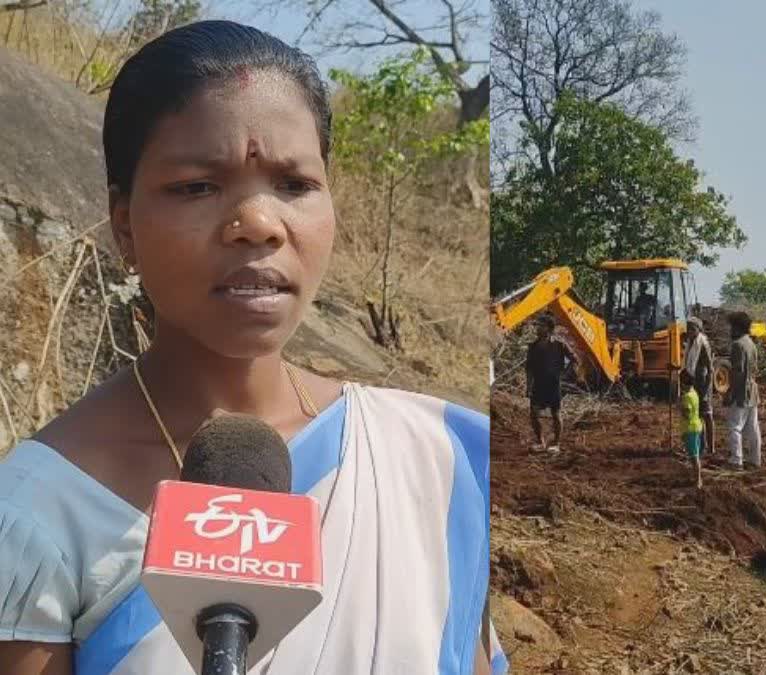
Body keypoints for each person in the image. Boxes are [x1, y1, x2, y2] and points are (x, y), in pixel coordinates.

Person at [0, 21, 498, 675]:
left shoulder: (441, 461)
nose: (259, 224)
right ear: (124, 222)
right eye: (197, 186)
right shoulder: (37, 513)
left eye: (294, 184)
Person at [526, 314, 575, 452]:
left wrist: (564, 374)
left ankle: (556, 444)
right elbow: (529, 368)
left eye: (540, 325)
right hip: (538, 384)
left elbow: (574, 359)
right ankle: (540, 442)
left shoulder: (559, 345)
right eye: (537, 325)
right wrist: (528, 386)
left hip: (553, 384)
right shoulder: (533, 346)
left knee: (556, 414)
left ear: (548, 328)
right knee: (534, 413)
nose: (537, 328)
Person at [724, 311, 762, 469]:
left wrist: (730, 392)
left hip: (742, 391)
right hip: (752, 390)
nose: (730, 330)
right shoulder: (751, 343)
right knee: (753, 427)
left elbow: (738, 372)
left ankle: (736, 461)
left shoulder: (738, 345)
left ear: (738, 328)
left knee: (734, 425)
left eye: (732, 327)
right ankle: (755, 460)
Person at [684, 317, 716, 453]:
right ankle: (701, 446)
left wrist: (707, 389)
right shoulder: (690, 343)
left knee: (707, 415)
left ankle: (711, 448)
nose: (690, 331)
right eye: (688, 329)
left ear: (699, 329)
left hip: (703, 383)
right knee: (696, 416)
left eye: (693, 329)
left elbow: (710, 369)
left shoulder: (702, 343)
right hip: (693, 383)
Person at [679, 369, 704, 489]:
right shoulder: (694, 393)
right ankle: (696, 477)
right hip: (696, 426)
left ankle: (698, 479)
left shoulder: (687, 397)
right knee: (694, 454)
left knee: (694, 456)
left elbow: (687, 414)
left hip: (690, 429)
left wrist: (680, 406)